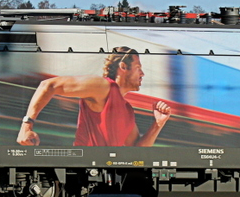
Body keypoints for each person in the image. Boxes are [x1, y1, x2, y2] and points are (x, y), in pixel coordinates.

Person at [16, 46, 172, 147]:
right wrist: (26, 126)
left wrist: (158, 123)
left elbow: (137, 153)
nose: (142, 74)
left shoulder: (127, 110)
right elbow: (48, 85)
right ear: (123, 67)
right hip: (85, 165)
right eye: (138, 68)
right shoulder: (103, 86)